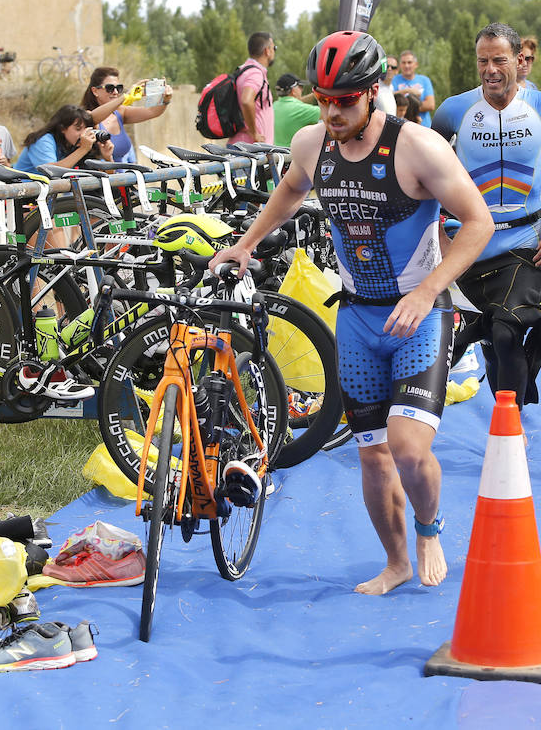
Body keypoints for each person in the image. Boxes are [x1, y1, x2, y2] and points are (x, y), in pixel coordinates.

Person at [211, 31, 493, 595]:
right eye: (323, 99)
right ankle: (395, 563)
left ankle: (429, 528)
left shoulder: (419, 146)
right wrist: (246, 243)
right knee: (373, 458)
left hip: (419, 315)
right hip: (360, 321)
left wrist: (427, 290)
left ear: (372, 92)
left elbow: (479, 222)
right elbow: (291, 190)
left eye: (345, 100)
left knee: (410, 450)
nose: (332, 111)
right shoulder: (313, 144)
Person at [432, 23, 541, 408]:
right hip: (471, 244)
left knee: (505, 329)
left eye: (499, 60)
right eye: (482, 61)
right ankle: (507, 425)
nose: (490, 70)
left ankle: (510, 429)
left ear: (519, 61)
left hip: (527, 243)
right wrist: (438, 234)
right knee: (491, 340)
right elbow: (423, 175)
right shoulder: (454, 111)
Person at [79, 67, 172, 163]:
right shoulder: (85, 115)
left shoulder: (120, 112)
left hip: (123, 176)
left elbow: (152, 112)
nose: (115, 92)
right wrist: (125, 96)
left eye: (118, 88)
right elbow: (91, 118)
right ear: (95, 91)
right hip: (100, 176)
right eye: (110, 88)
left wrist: (165, 99)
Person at [13, 105, 114, 173]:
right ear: (62, 128)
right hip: (23, 195)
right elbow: (51, 171)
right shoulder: (43, 141)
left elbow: (107, 176)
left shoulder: (73, 144)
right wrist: (83, 149)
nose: (83, 134)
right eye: (78, 129)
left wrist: (108, 158)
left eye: (85, 129)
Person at [230, 33, 275, 145]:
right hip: (251, 150)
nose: (274, 51)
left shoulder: (243, 70)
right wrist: (254, 133)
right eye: (274, 48)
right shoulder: (255, 73)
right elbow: (246, 100)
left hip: (242, 145)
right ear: (267, 51)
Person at [390, 50, 436, 128]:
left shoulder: (424, 80)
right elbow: (390, 101)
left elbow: (430, 105)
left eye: (409, 62)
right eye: (403, 63)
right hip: (401, 128)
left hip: (424, 127)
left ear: (416, 64)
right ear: (400, 65)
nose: (406, 66)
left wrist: (403, 108)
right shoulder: (393, 80)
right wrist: (407, 91)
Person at [271, 73, 320, 146]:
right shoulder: (301, 110)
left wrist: (314, 95)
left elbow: (294, 103)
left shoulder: (274, 105)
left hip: (277, 153)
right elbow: (327, 113)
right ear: (293, 90)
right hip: (294, 155)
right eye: (300, 86)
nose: (302, 89)